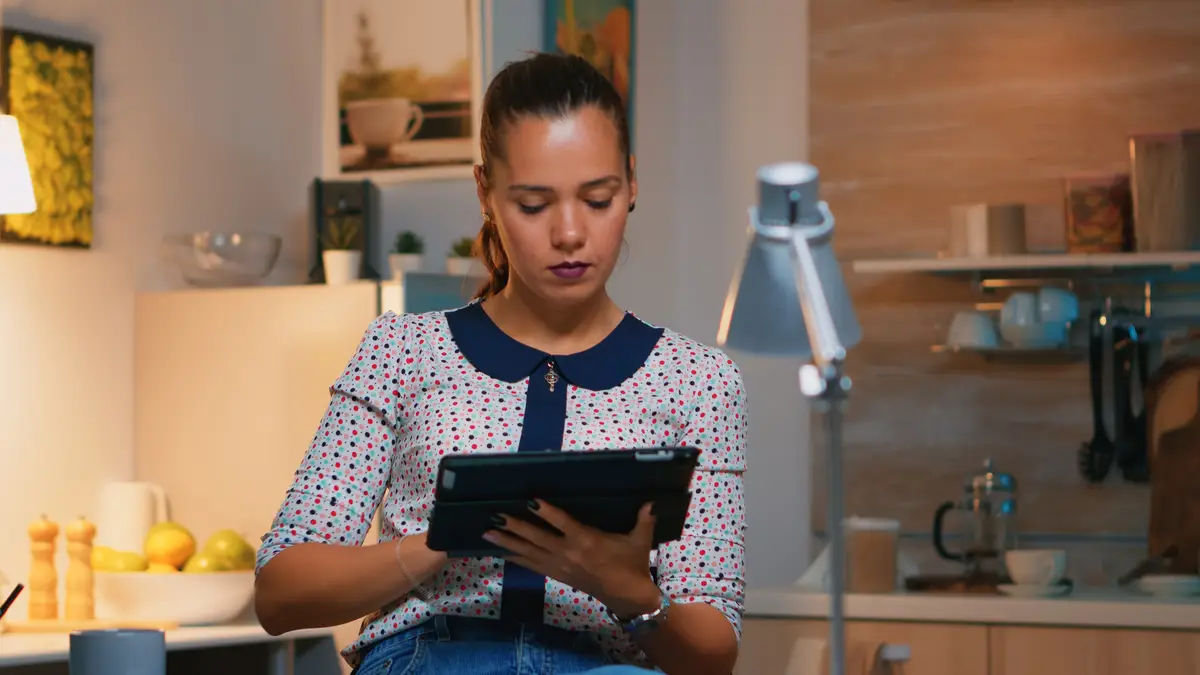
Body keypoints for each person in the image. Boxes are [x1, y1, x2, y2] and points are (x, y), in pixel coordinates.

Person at [253, 52, 748, 675]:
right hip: (427, 659)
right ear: (485, 192)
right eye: (534, 205)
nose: (570, 233)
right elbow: (280, 592)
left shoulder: (698, 381)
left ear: (631, 183)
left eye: (597, 199)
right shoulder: (402, 351)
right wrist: (436, 546)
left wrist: (625, 588)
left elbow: (713, 654)